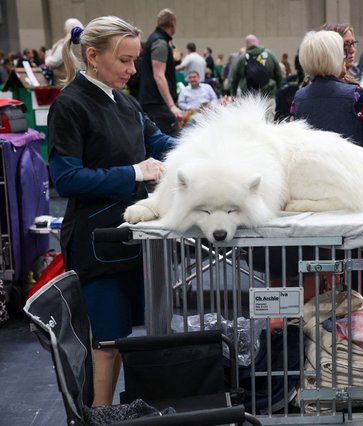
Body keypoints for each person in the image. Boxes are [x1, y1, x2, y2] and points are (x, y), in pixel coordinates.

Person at [47, 15, 175, 406]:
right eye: (124, 60)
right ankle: (99, 416)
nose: (132, 70)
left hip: (132, 239)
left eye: (135, 60)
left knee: (123, 339)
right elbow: (66, 178)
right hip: (97, 243)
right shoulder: (70, 106)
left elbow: (160, 141)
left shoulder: (126, 101)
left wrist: (213, 145)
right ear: (92, 56)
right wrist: (134, 172)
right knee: (106, 342)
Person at [292, 30, 363, 158]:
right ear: (335, 57)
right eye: (342, 51)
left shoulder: (298, 98)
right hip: (351, 172)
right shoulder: (356, 94)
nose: (346, 55)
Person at [138, 8, 182, 136]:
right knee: (172, 140)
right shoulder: (160, 42)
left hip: (153, 101)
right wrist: (172, 105)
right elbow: (159, 75)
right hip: (158, 103)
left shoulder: (155, 39)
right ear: (173, 23)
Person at [230, 34, 282, 119]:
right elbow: (278, 73)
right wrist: (278, 88)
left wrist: (233, 94)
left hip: (249, 98)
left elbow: (235, 79)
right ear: (258, 42)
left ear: (246, 45)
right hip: (268, 95)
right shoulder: (270, 54)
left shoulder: (242, 58)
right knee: (268, 122)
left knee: (251, 123)